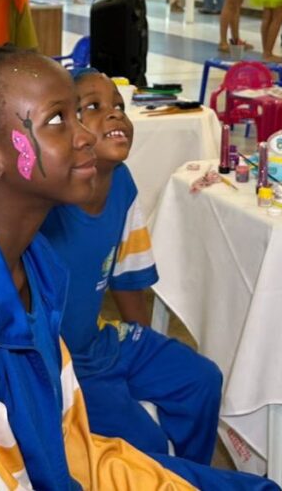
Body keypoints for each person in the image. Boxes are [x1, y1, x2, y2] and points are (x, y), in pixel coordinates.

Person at [0, 44, 278, 490]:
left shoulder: (34, 261)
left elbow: (62, 431)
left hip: (62, 458)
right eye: (58, 119)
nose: (84, 136)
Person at [32, 69, 226, 465]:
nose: (115, 113)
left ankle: (191, 477)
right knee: (144, 446)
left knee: (202, 380)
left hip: (99, 342)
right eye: (94, 106)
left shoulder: (122, 182)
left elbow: (126, 275)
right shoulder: (41, 191)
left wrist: (141, 348)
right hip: (58, 365)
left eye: (118, 106)